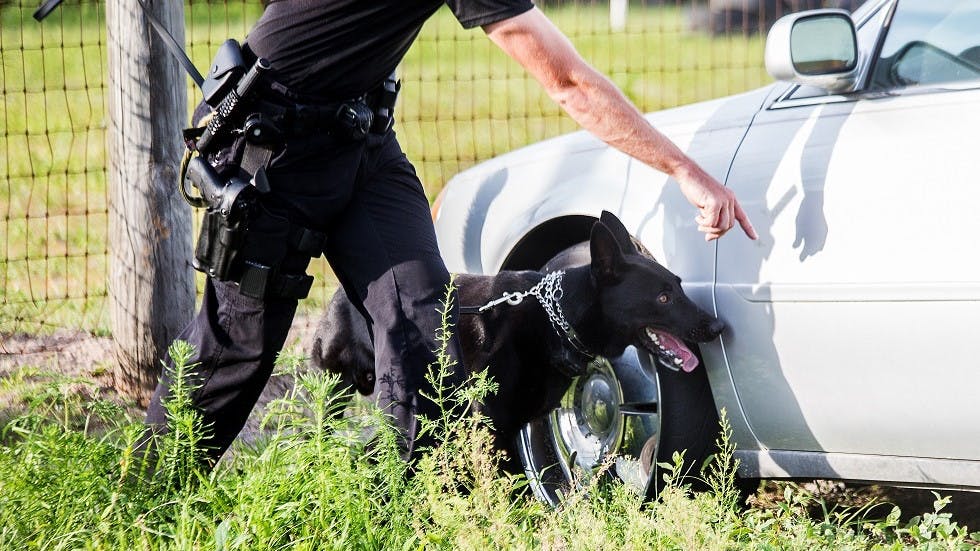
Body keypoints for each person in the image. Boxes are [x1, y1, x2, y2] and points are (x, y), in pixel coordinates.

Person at [143, 0, 757, 468]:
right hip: (274, 142)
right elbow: (567, 82)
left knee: (420, 323)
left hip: (362, 137)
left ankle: (397, 507)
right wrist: (684, 169)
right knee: (237, 349)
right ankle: (146, 495)